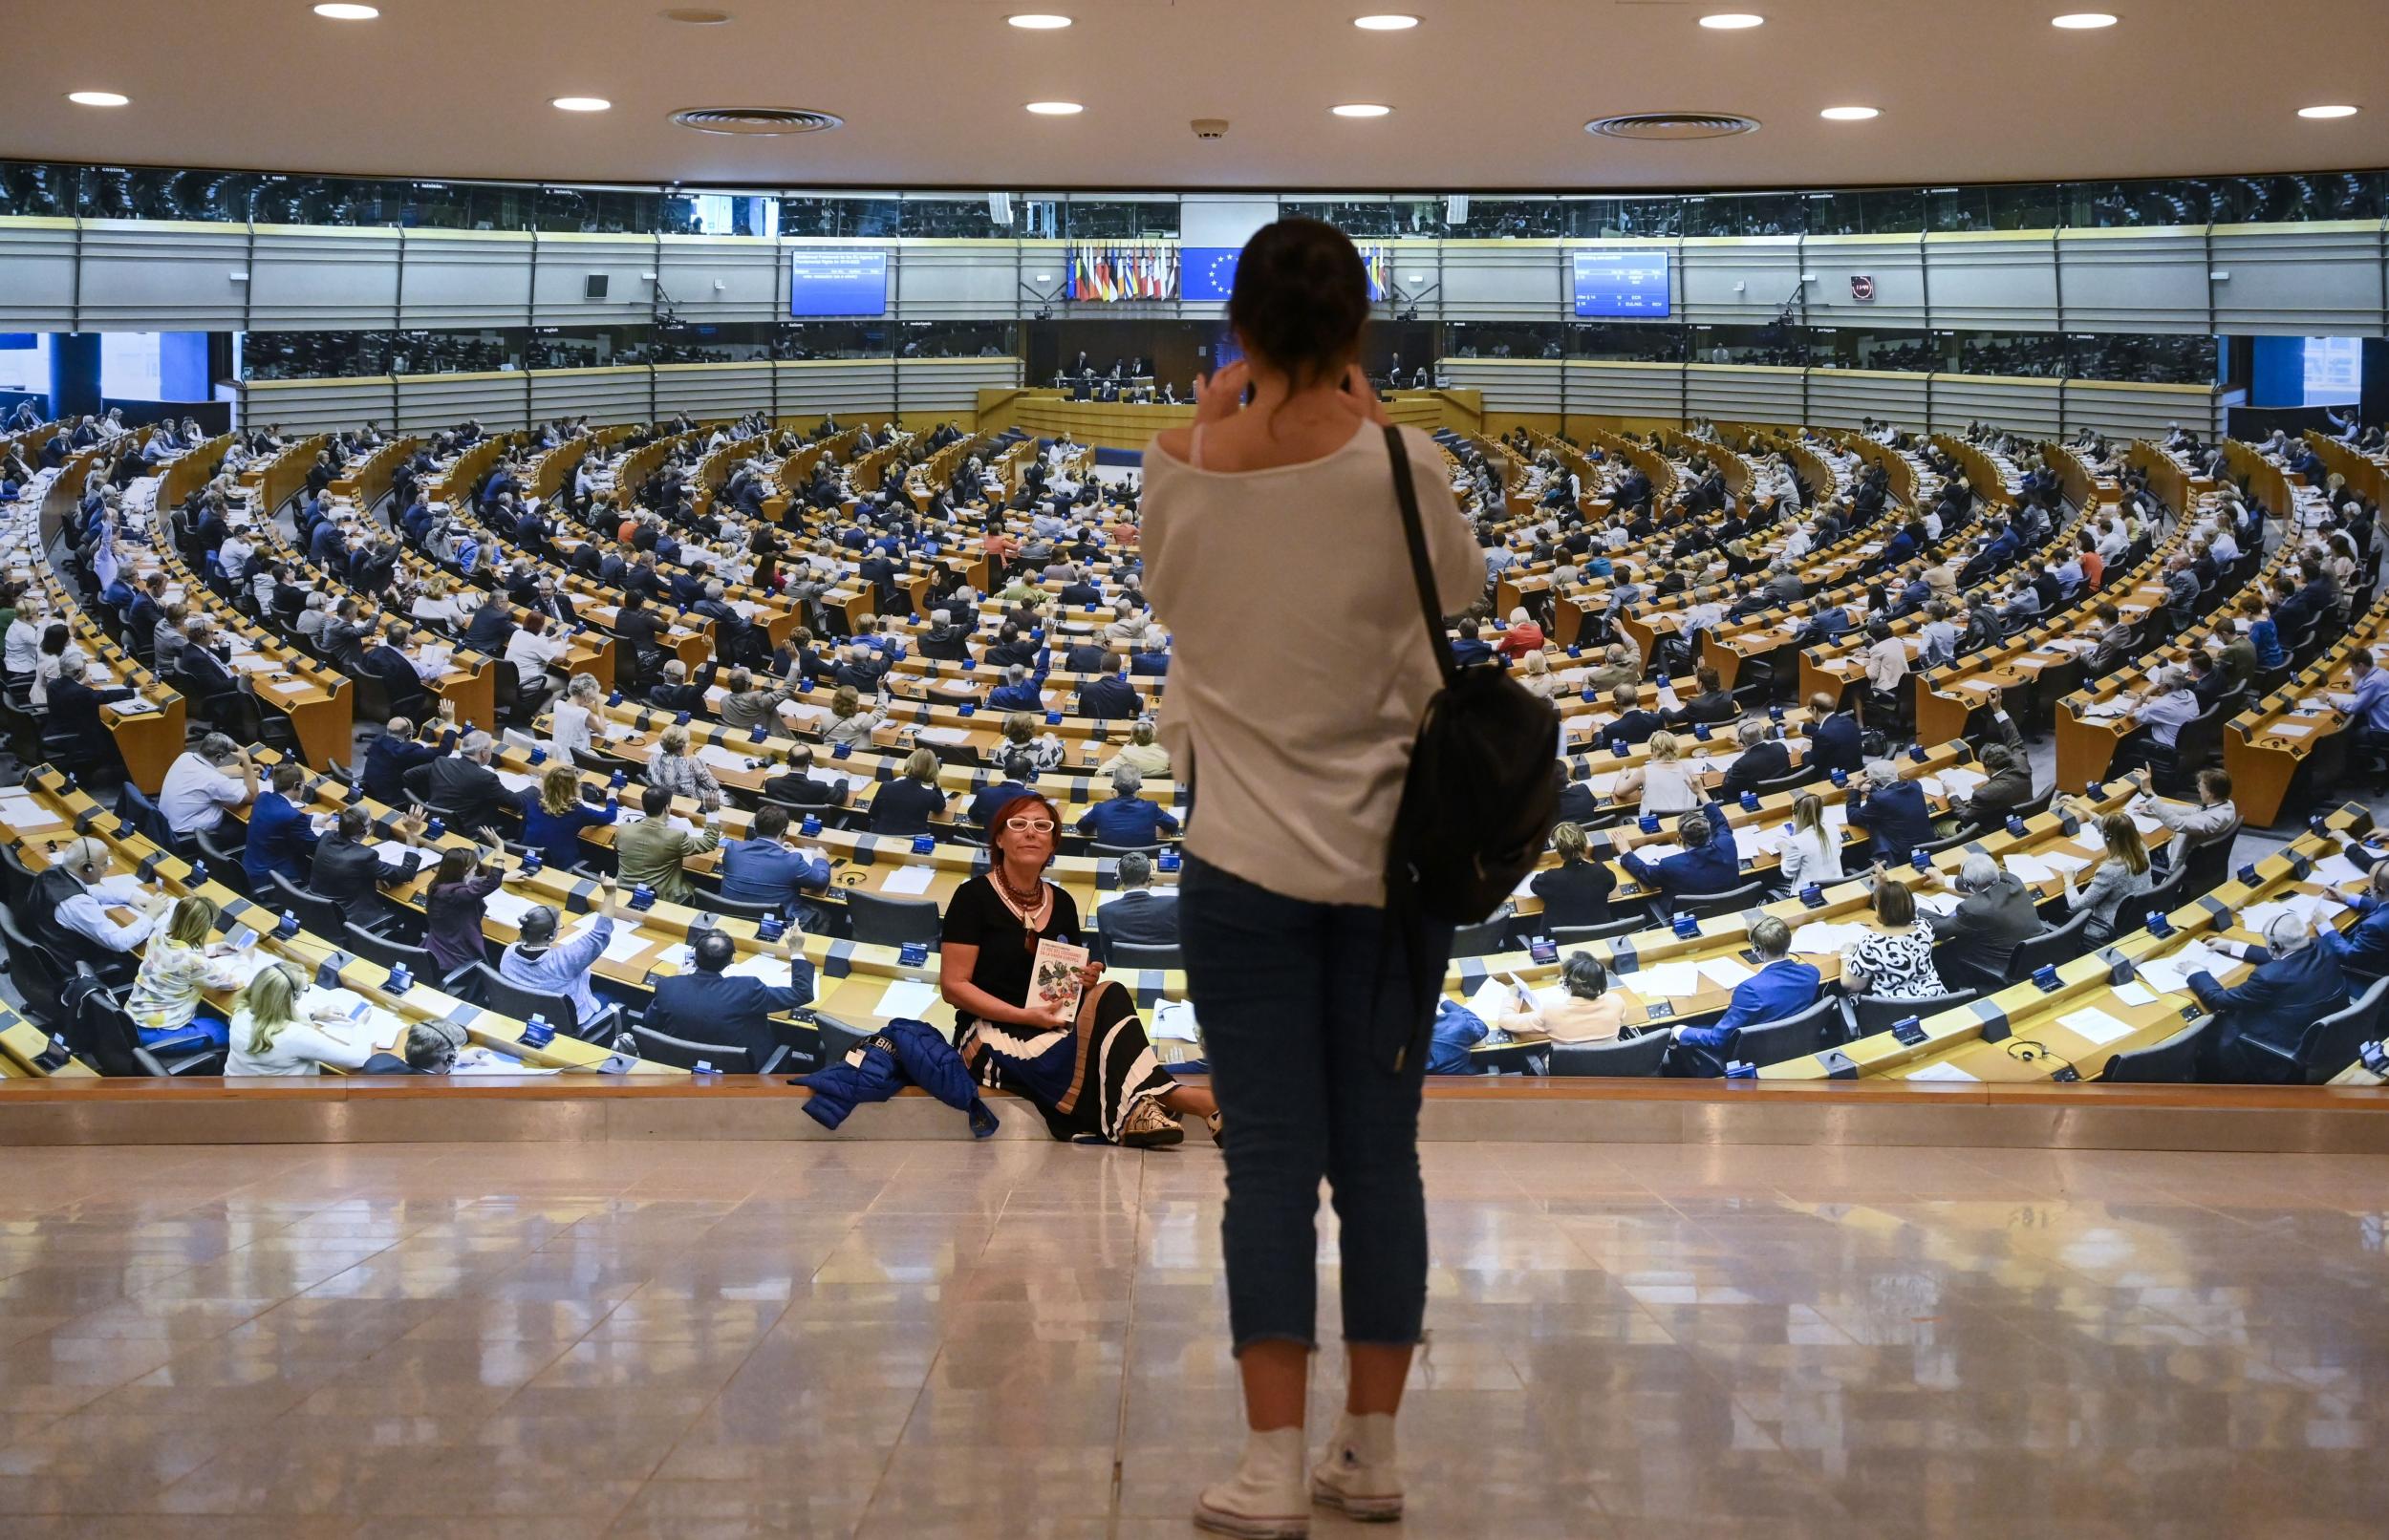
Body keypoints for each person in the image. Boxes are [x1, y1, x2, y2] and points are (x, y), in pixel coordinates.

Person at [1143, 222, 1484, 1533]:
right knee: (1380, 1161)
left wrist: (1206, 426)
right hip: (1393, 869)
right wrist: (1380, 432)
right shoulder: (1408, 464)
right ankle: (1372, 1455)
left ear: (1236, 329)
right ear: (1358, 330)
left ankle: (1273, 1468)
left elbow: (1175, 601)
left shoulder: (1176, 468)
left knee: (1269, 1166)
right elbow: (1458, 592)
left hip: (1239, 864)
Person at [939, 790, 1212, 1140]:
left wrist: (1083, 980)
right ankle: (1183, 1101)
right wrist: (1025, 1017)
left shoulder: (1064, 903)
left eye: (1042, 826)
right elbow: (953, 988)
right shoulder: (972, 897)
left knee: (1110, 992)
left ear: (1053, 844)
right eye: (1018, 824)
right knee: (1097, 1060)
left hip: (1050, 1023)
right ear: (1000, 839)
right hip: (991, 1033)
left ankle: (1145, 1111)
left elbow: (1060, 983)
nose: (1031, 831)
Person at [2188, 915, 2353, 1083]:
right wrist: (2233, 947)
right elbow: (2290, 959)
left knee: (2216, 1022)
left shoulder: (2267, 977)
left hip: (2284, 1045)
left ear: (2275, 946)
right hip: (2324, 1033)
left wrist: (2195, 971)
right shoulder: (2323, 946)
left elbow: (2218, 1000)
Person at [644, 926, 817, 1069]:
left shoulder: (668, 986)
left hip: (680, 1064)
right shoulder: (748, 989)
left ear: (694, 957)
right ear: (731, 960)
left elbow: (649, 1022)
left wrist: (678, 980)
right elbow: (802, 992)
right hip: (737, 1072)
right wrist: (796, 950)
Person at [1670, 914, 1819, 1077]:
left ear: (1758, 950)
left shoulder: (1750, 990)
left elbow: (1716, 1039)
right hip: (1791, 1049)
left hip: (1752, 1057)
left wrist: (1680, 1031)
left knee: (1687, 1029)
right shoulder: (1812, 974)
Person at [498, 876, 625, 1032]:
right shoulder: (563, 961)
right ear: (551, 936)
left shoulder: (509, 952)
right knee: (617, 995)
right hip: (565, 1024)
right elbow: (601, 934)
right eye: (559, 927)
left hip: (522, 1014)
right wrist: (610, 894)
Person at [34, 834, 170, 974]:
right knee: (140, 961)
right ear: (87, 868)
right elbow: (120, 942)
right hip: (72, 966)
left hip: (50, 951)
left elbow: (91, 891)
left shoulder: (52, 873)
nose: (107, 868)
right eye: (104, 863)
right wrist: (150, 915)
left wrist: (130, 897)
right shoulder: (78, 904)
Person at [225, 962, 379, 1077]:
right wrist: (360, 1026)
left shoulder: (241, 1012)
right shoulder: (295, 1036)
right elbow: (359, 1059)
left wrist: (314, 1014)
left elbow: (271, 1014)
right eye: (304, 990)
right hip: (283, 1105)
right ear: (290, 999)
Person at [1923, 853, 2042, 992]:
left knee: (1942, 953)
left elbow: (1936, 930)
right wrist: (1944, 880)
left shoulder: (1973, 909)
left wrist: (1913, 906)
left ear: (1969, 884)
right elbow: (1985, 881)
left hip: (2004, 968)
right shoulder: (2014, 882)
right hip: (2037, 956)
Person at [310, 802, 429, 927]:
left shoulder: (326, 837)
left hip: (320, 912)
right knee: (412, 916)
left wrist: (374, 873)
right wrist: (411, 835)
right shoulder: (365, 857)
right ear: (364, 831)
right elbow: (406, 873)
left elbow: (345, 868)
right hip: (351, 921)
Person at [2055, 805, 2155, 944]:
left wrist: (2069, 882)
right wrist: (2082, 808)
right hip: (2137, 916)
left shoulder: (2110, 870)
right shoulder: (2140, 846)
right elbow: (2116, 829)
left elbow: (2077, 906)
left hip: (2105, 928)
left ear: (2108, 838)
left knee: (2055, 912)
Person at [1840, 874, 1947, 999]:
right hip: (1936, 1001)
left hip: (1894, 1008)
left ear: (1878, 908)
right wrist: (1888, 887)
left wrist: (1846, 956)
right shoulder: (1924, 928)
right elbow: (1905, 907)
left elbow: (1852, 985)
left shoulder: (1870, 943)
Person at [719, 802, 833, 918]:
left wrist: (778, 849)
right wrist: (820, 859)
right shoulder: (792, 862)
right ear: (783, 832)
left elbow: (757, 866)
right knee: (823, 915)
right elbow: (821, 881)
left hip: (731, 916)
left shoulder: (733, 849)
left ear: (755, 828)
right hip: (774, 924)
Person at [614, 784, 722, 906]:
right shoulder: (675, 837)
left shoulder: (623, 829)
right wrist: (712, 812)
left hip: (622, 892)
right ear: (666, 807)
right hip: (660, 899)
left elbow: (617, 848)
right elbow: (710, 842)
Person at [1621, 802, 1740, 908]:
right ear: (1709, 834)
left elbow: (1645, 873)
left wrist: (1626, 853)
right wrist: (1701, 793)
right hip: (1732, 909)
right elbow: (1721, 823)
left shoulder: (1671, 865)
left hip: (1690, 918)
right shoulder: (1727, 845)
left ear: (1680, 838)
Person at [420, 830, 508, 976]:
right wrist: (499, 847)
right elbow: (492, 883)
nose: (476, 871)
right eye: (475, 868)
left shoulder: (437, 885)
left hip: (436, 948)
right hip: (455, 961)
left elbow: (471, 884)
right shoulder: (457, 894)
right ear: (467, 870)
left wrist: (505, 877)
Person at [1494, 952, 1625, 1044]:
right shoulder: (1616, 1002)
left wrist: (1513, 997)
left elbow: (1506, 1021)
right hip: (1609, 1070)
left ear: (1567, 984)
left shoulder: (1551, 1012)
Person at [517, 761, 619, 870]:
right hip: (559, 867)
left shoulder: (532, 801)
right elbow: (610, 816)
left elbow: (521, 833)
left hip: (526, 858)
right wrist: (611, 797)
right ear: (573, 789)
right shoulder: (577, 811)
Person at [240, 761, 323, 890]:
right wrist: (332, 830)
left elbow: (283, 818)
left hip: (251, 868)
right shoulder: (293, 817)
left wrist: (315, 820)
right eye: (304, 785)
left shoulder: (262, 797)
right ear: (297, 785)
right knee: (322, 871)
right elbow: (316, 846)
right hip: (271, 878)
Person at [404, 730, 510, 830]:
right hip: (463, 830)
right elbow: (513, 802)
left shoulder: (441, 762)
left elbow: (408, 775)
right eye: (491, 750)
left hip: (431, 820)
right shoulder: (486, 778)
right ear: (483, 753)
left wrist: (425, 801)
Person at [159, 735, 258, 841]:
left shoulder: (185, 757)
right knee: (246, 827)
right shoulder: (214, 780)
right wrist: (246, 760)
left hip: (166, 827)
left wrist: (247, 771)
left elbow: (212, 772)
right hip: (191, 836)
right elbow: (252, 796)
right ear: (218, 757)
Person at [2128, 766, 2240, 861]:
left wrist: (2149, 792)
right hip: (2197, 853)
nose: (2198, 790)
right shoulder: (2227, 804)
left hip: (2183, 860)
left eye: (2200, 787)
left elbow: (2177, 823)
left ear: (2210, 793)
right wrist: (2150, 806)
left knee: (2135, 852)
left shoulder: (2213, 820)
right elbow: (2194, 811)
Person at [1525, 821, 1616, 931]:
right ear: (1584, 843)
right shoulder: (1601, 871)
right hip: (1599, 935)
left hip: (1560, 939)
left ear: (1558, 850)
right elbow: (1612, 884)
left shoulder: (1551, 878)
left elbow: (1534, 885)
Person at [1847, 759, 1932, 866]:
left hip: (1900, 855)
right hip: (1927, 847)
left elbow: (1853, 817)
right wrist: (1871, 787)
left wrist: (1856, 787)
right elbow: (1892, 793)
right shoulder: (1915, 786)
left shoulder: (1878, 799)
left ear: (1876, 782)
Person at [1075, 764, 1182, 846]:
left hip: (1108, 861)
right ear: (1139, 786)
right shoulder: (1150, 808)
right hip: (1143, 862)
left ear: (1114, 786)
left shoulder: (1100, 808)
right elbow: (1173, 824)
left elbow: (1081, 826)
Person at [1094, 849, 1180, 951]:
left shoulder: (1104, 912)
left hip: (1123, 961)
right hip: (1168, 960)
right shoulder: (1176, 904)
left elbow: (1106, 949)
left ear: (1119, 879)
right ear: (1150, 878)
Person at [1614, 730, 1705, 816]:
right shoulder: (1687, 767)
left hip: (1653, 824)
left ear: (1653, 750)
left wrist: (1622, 776)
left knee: (1621, 818)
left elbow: (1620, 791)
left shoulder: (1645, 771)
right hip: (1686, 821)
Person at [1953, 742, 2034, 833]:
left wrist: (1952, 794)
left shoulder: (1983, 794)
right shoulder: (2023, 765)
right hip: (2029, 819)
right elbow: (2016, 743)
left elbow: (1965, 819)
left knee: (1942, 826)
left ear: (1988, 768)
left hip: (1998, 833)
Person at [868, 747, 950, 835]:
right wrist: (937, 784)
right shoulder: (929, 795)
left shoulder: (886, 786)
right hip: (911, 841)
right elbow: (940, 807)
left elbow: (872, 813)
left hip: (883, 838)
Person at [1776, 792, 1842, 894]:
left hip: (1808, 895)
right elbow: (1838, 853)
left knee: (1773, 883)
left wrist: (1784, 851)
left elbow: (1788, 874)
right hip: (1836, 889)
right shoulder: (1834, 828)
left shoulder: (1796, 842)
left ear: (1796, 813)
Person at [645, 723, 724, 807]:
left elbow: (650, 780)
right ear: (683, 747)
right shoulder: (693, 762)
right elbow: (714, 787)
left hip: (663, 802)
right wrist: (702, 766)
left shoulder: (652, 759)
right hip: (691, 805)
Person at [549, 672, 603, 760]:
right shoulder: (584, 713)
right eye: (591, 699)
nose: (590, 701)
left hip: (558, 755)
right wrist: (600, 708)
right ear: (585, 696)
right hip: (575, 759)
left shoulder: (558, 704)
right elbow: (602, 731)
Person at [1809, 691, 1863, 776]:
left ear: (1815, 710)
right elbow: (1831, 730)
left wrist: (1805, 751)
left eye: (1810, 709)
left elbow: (1813, 767)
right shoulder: (1850, 722)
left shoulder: (1822, 735)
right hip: (1857, 773)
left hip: (1834, 779)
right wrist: (1799, 725)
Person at [1097, 717, 1172, 780]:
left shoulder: (1127, 754)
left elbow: (1100, 773)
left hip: (1132, 788)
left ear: (1132, 737)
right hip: (1159, 789)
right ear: (1153, 736)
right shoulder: (1167, 751)